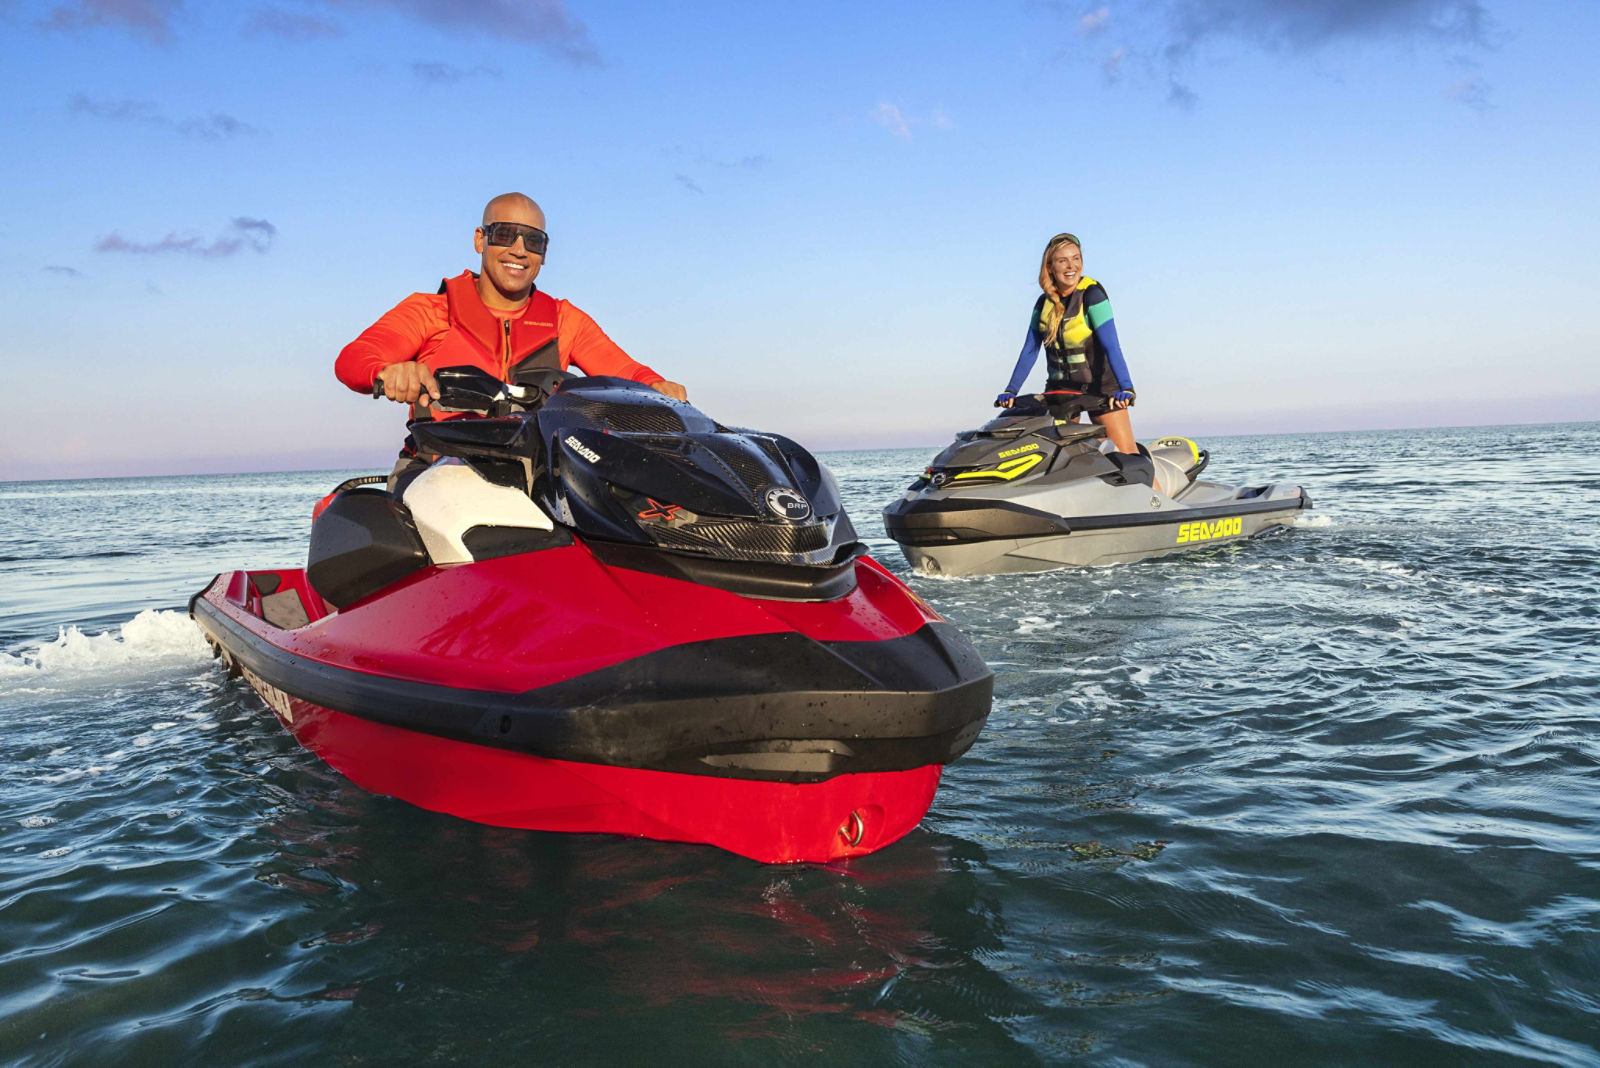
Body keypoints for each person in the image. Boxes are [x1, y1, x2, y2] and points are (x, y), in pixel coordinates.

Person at [336, 192, 686, 486]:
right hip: (436, 470)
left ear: (544, 254)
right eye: (505, 234)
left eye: (533, 241)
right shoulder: (430, 311)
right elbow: (354, 359)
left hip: (536, 478)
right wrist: (387, 372)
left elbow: (628, 374)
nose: (520, 250)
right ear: (480, 239)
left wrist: (659, 387)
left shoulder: (565, 321)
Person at [995, 232, 1139, 455]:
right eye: (1063, 260)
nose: (1071, 266)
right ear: (1050, 267)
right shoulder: (1043, 304)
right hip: (1061, 390)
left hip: (1101, 389)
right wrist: (1011, 390)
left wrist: (1126, 387)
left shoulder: (1092, 295)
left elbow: (1112, 346)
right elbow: (1030, 350)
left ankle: (1148, 480)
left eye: (1076, 258)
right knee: (1062, 458)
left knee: (1126, 454)